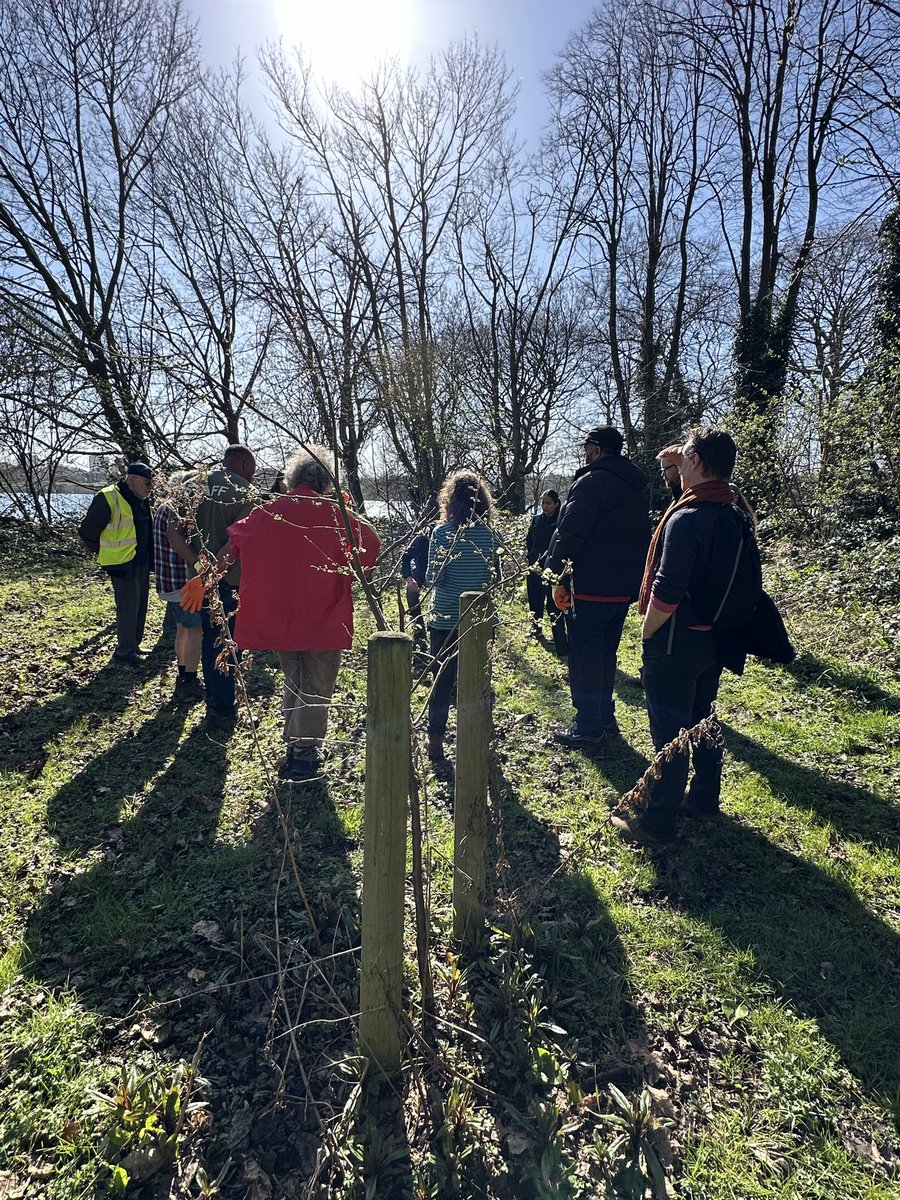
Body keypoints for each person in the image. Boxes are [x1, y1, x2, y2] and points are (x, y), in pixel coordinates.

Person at [612, 427, 758, 848]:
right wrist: (688, 454)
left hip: (676, 641)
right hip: (718, 638)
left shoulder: (686, 517)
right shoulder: (735, 512)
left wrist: (647, 628)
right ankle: (705, 801)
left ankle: (657, 825)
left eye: (686, 457)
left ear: (694, 462)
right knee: (704, 720)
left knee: (670, 734)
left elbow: (668, 587)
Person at [223, 445, 380, 781]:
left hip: (280, 618)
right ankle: (303, 756)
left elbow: (233, 544)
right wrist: (349, 513)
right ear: (328, 483)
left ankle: (294, 745)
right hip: (324, 618)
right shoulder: (337, 516)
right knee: (317, 686)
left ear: (290, 480)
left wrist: (202, 574)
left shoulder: (269, 512)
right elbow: (370, 547)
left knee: (295, 679)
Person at [546, 426, 650, 747]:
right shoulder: (636, 488)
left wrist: (555, 575)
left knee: (584, 657)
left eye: (587, 446)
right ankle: (605, 716)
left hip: (589, 587)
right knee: (607, 654)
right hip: (621, 589)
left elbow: (570, 535)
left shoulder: (592, 483)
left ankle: (588, 725)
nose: (584, 451)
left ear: (597, 449)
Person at [168, 445, 257, 727]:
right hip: (229, 582)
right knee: (227, 643)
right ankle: (223, 710)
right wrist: (210, 575)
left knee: (208, 638)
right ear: (244, 466)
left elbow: (173, 533)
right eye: (252, 470)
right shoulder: (246, 494)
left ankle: (217, 705)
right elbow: (234, 545)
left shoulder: (192, 485)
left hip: (198, 583)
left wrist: (198, 569)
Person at [425, 471, 502, 762]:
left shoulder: (442, 533)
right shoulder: (493, 535)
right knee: (478, 681)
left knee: (441, 683)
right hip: (481, 620)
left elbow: (434, 578)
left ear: (450, 499)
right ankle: (476, 737)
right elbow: (497, 579)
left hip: (445, 617)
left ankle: (435, 740)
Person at [79, 462, 154, 665]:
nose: (150, 487)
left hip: (141, 561)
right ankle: (125, 652)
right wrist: (104, 552)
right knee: (128, 608)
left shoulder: (140, 498)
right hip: (121, 564)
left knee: (139, 606)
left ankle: (133, 645)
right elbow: (87, 531)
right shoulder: (108, 497)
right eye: (147, 483)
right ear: (133, 480)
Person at [152, 472, 203, 703]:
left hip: (167, 581)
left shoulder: (163, 507)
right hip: (183, 581)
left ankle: (183, 672)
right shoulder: (179, 510)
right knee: (195, 631)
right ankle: (190, 680)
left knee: (183, 628)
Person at [525, 489, 567, 657]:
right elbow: (529, 540)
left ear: (556, 504)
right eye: (542, 502)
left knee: (553, 604)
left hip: (553, 569)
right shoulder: (536, 520)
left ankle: (560, 640)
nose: (544, 506)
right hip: (535, 566)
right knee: (534, 600)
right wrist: (532, 558)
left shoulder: (561, 522)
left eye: (548, 503)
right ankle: (536, 629)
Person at [401, 521, 431, 645]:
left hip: (444, 572)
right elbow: (406, 557)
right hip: (422, 570)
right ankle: (419, 631)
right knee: (411, 593)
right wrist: (409, 579)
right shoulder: (424, 536)